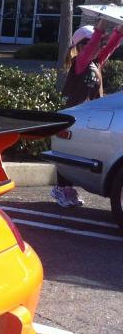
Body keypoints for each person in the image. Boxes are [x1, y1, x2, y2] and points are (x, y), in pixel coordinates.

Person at [50, 20, 123, 207]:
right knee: (68, 151)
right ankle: (61, 189)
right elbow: (93, 46)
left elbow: (111, 46)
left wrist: (119, 31)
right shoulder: (80, 62)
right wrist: (101, 26)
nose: (98, 47)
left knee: (79, 152)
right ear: (81, 46)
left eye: (98, 43)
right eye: (93, 43)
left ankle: (65, 189)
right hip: (73, 113)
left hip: (87, 116)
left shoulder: (96, 62)